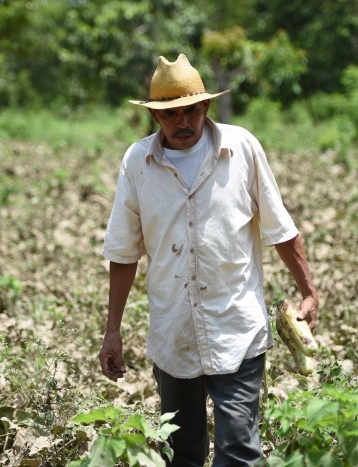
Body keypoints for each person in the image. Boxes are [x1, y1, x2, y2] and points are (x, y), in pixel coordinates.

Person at [98, 53, 318, 466]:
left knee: (239, 451)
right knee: (183, 452)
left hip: (236, 326)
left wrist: (308, 290)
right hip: (173, 331)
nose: (182, 122)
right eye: (170, 115)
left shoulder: (242, 148)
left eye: (191, 111)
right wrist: (112, 330)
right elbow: (124, 252)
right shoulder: (137, 162)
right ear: (155, 117)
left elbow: (280, 228)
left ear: (206, 108)